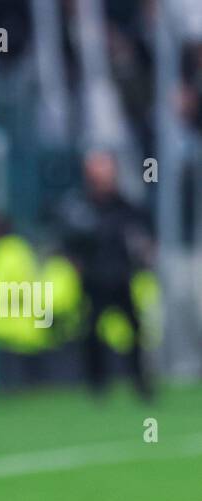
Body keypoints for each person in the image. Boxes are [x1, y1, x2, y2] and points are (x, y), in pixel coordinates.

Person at [59, 150, 154, 400]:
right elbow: (68, 241)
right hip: (93, 279)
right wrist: (76, 264)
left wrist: (142, 253)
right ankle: (97, 387)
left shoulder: (125, 205)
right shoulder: (80, 206)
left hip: (121, 277)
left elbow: (142, 234)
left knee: (135, 331)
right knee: (91, 333)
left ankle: (141, 384)